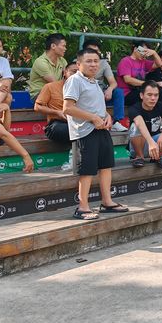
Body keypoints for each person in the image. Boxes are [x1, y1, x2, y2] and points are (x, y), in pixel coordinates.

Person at [63, 48, 128, 220]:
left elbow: (97, 106)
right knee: (87, 170)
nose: (93, 64)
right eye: (88, 61)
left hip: (101, 130)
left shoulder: (94, 82)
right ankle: (82, 207)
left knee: (106, 166)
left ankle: (107, 202)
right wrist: (93, 118)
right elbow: (67, 108)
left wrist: (107, 116)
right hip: (85, 132)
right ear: (78, 64)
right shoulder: (74, 80)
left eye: (96, 61)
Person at [127, 81, 162, 170]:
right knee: (135, 126)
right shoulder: (134, 108)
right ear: (142, 95)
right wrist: (151, 142)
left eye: (156, 95)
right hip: (138, 147)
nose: (153, 98)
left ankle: (156, 157)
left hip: (154, 145)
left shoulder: (161, 106)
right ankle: (139, 157)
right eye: (149, 95)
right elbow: (139, 124)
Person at [82, 38, 127, 132]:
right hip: (86, 97)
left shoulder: (103, 63)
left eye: (96, 51)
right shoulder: (79, 63)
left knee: (118, 92)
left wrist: (110, 89)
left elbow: (113, 82)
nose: (95, 53)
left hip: (102, 95)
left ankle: (116, 122)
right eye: (91, 50)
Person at [35, 61, 78, 145]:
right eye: (74, 71)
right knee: (62, 129)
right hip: (58, 123)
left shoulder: (83, 89)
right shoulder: (50, 87)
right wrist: (57, 112)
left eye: (80, 73)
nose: (76, 75)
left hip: (77, 122)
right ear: (65, 72)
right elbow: (37, 107)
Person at [116, 41, 162, 108]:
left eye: (146, 52)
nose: (144, 54)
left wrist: (154, 53)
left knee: (160, 91)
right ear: (135, 49)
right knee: (147, 95)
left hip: (140, 91)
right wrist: (147, 84)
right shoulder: (126, 61)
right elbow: (127, 79)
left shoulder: (143, 62)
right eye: (143, 51)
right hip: (127, 94)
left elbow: (159, 64)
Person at [28, 33, 68, 100]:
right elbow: (54, 83)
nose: (65, 49)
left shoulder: (62, 60)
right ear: (53, 46)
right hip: (39, 95)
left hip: (56, 91)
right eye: (63, 46)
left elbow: (68, 78)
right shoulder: (40, 62)